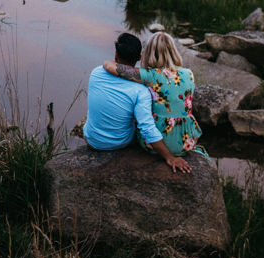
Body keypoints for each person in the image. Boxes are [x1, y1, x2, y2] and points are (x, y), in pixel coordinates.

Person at [83, 33, 192, 173]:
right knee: (138, 119)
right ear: (139, 58)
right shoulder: (141, 90)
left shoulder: (96, 73)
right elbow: (147, 127)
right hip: (120, 143)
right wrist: (169, 157)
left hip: (92, 140)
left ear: (116, 54)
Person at [103, 31, 208, 160]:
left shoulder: (149, 75)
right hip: (186, 141)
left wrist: (106, 62)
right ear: (173, 51)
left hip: (155, 144)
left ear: (149, 53)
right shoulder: (189, 74)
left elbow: (113, 68)